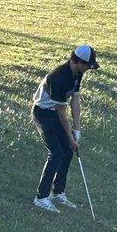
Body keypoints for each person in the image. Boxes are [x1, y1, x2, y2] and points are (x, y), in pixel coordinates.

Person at [31, 44, 99, 212]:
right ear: (78, 61)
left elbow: (75, 101)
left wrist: (77, 131)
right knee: (56, 152)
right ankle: (41, 197)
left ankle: (58, 192)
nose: (89, 69)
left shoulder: (77, 73)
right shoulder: (60, 77)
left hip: (53, 112)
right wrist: (70, 137)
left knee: (68, 151)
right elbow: (62, 113)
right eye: (88, 65)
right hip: (42, 113)